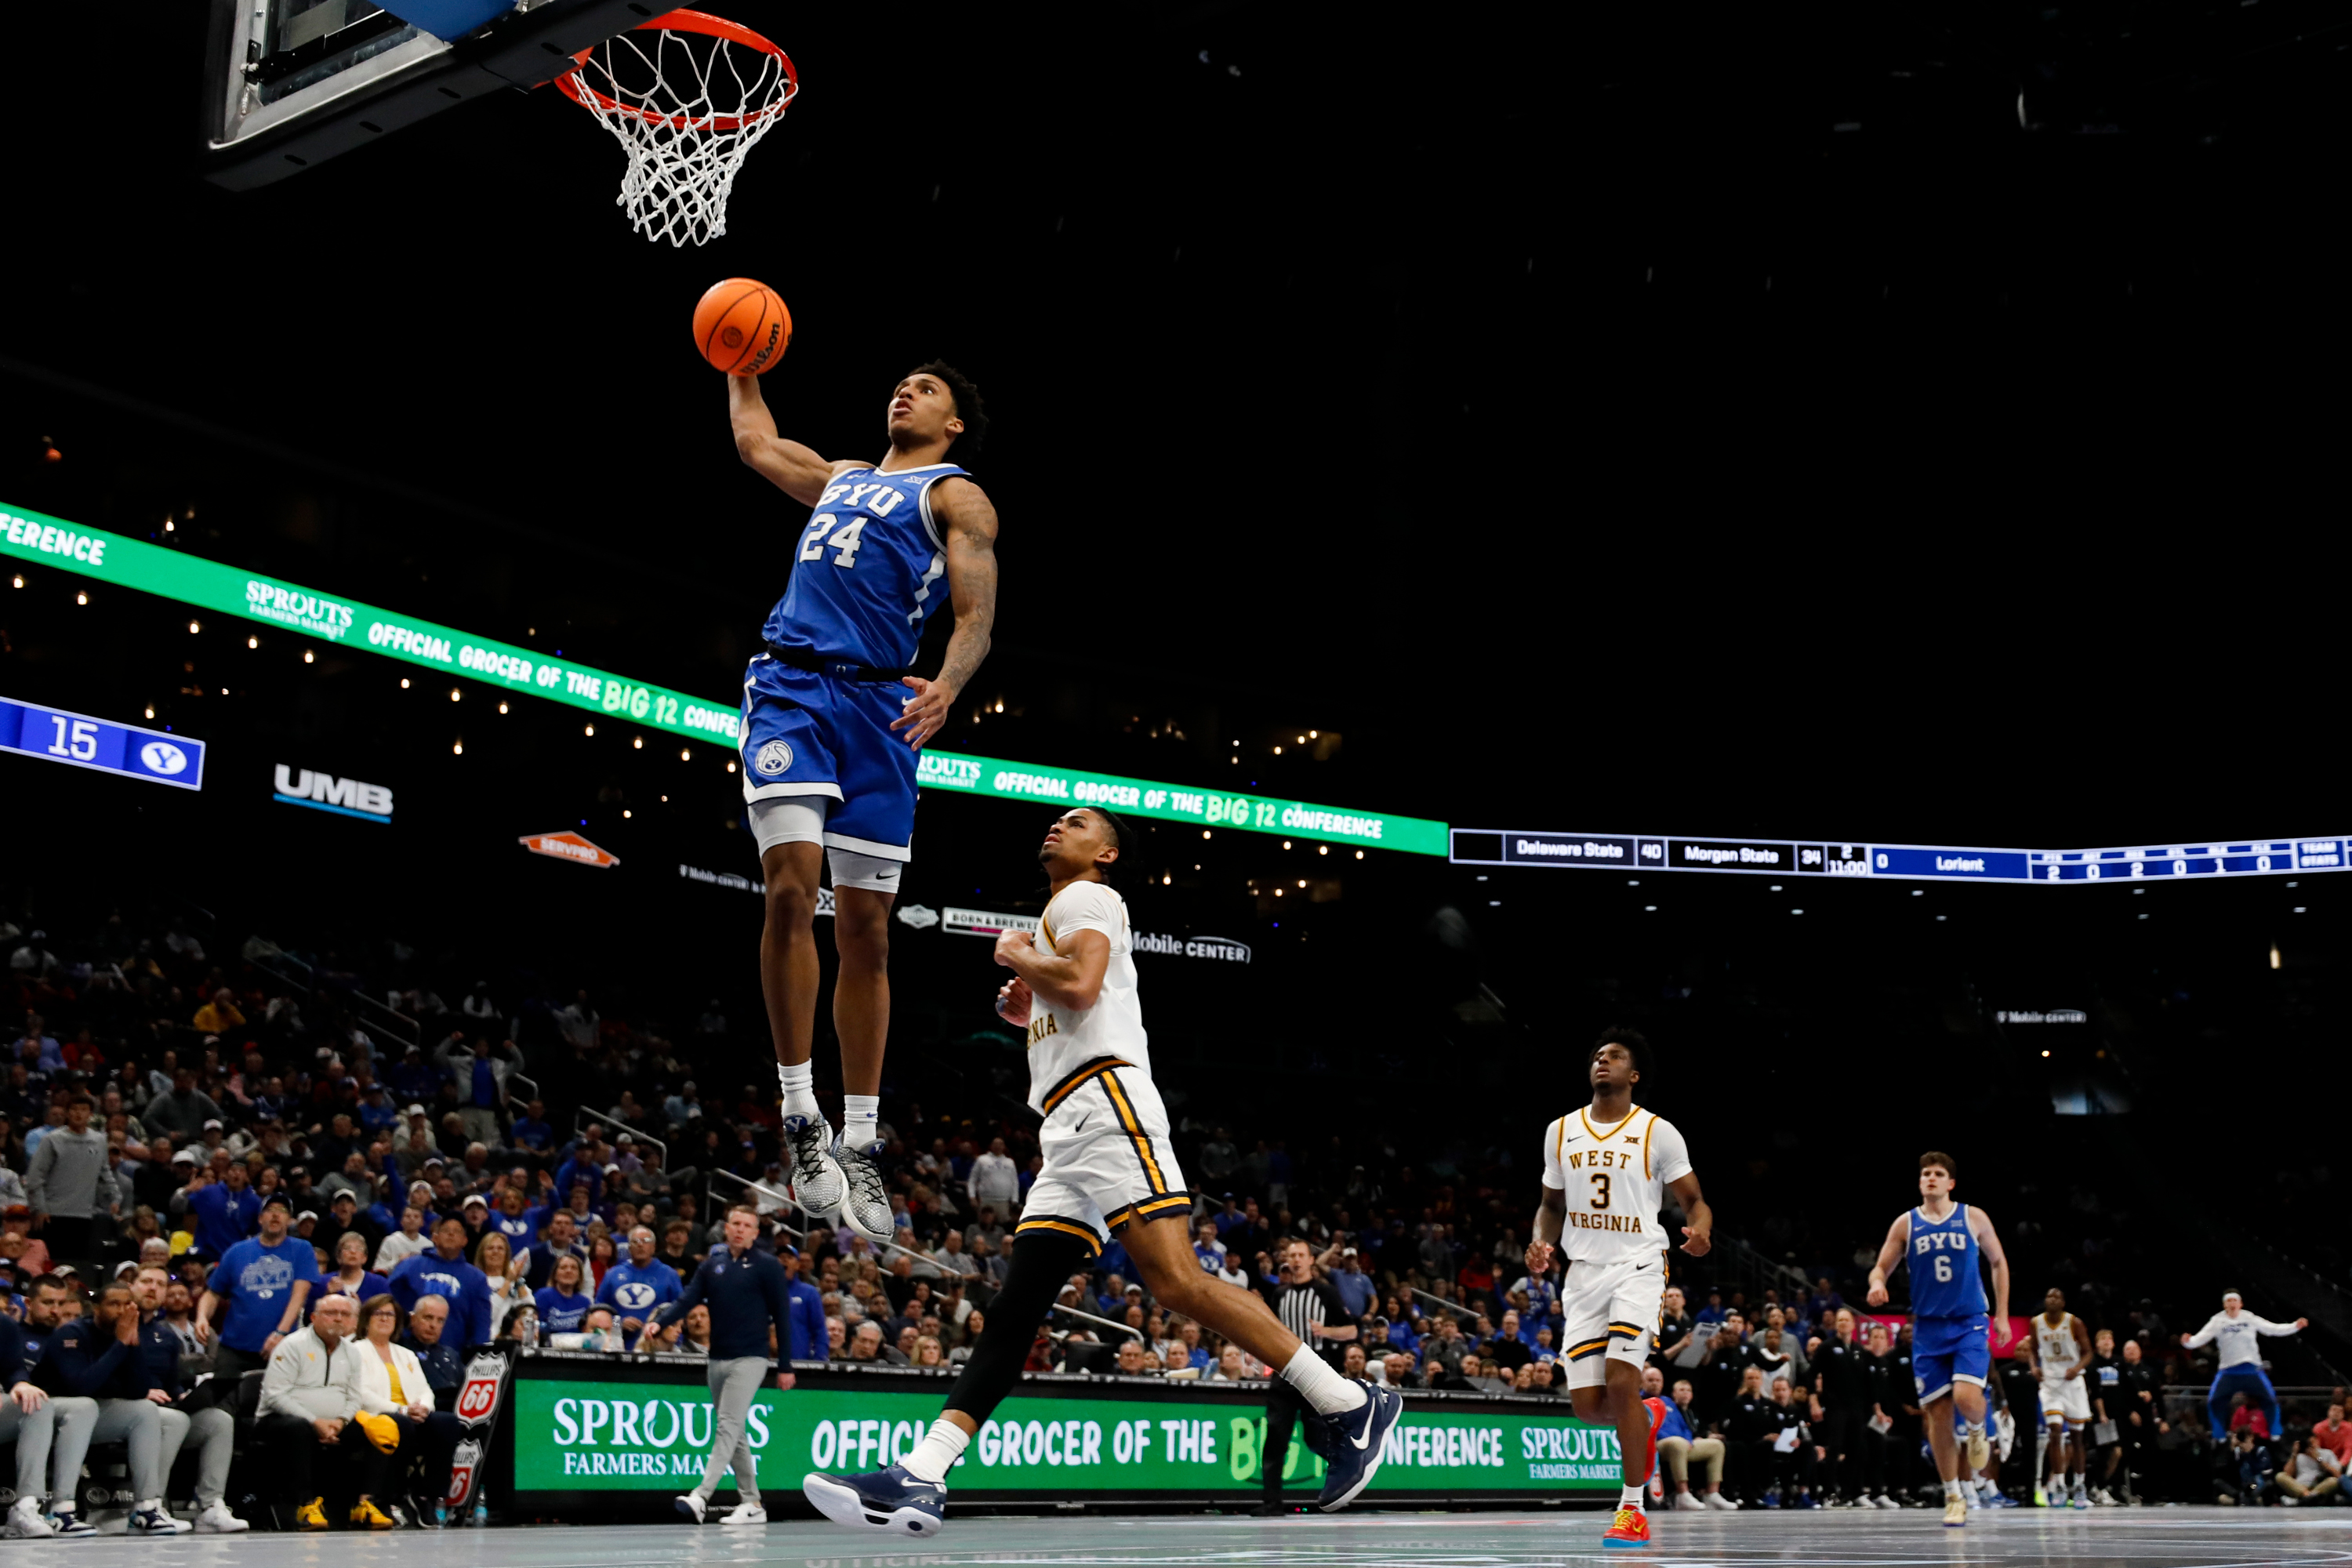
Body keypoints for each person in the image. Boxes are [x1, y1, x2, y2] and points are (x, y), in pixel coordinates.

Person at [801, 808, 1399, 1539]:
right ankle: (923, 1475)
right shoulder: (1063, 914)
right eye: (1054, 821)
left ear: (1106, 852)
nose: (1057, 827)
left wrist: (1019, 955)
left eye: (1076, 823)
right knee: (1017, 1307)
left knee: (1176, 1280)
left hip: (1106, 1103)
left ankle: (1346, 1402)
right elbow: (1074, 995)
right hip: (1067, 1127)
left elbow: (1082, 988)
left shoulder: (1084, 897)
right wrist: (1028, 1004)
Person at [729, 360, 1002, 1248]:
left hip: (883, 707)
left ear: (955, 424)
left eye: (927, 389)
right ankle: (800, 1111)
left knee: (869, 932)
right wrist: (741, 367)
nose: (905, 392)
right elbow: (757, 442)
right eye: (902, 383)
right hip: (792, 687)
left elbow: (973, 616)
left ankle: (858, 1139)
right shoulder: (844, 477)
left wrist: (950, 688)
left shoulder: (957, 497)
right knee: (788, 889)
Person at [1525, 1026, 1713, 1549]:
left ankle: (1632, 1507)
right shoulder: (1560, 1131)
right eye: (1597, 1055)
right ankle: (1647, 1416)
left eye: (1614, 1056)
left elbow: (1695, 1200)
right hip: (1583, 1272)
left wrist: (1701, 1231)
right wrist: (1541, 1242)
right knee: (1589, 1405)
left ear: (1633, 1075)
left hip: (1638, 1264)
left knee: (1622, 1379)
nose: (1602, 1060)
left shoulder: (1658, 1132)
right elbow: (1550, 1206)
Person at [1866, 1151, 2011, 1528]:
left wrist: (2002, 1315)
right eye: (1925, 1173)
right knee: (1939, 1416)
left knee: (1966, 1398)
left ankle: (1979, 1429)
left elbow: (1998, 1262)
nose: (1930, 1178)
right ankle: (1953, 1495)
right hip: (1929, 1328)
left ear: (1951, 1184)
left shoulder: (1972, 1216)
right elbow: (1881, 1266)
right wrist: (1878, 1283)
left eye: (1938, 1174)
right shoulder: (1906, 1223)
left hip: (1968, 1322)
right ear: (1920, 1182)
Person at [644, 1204, 794, 1526]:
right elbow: (688, 1299)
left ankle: (701, 1496)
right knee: (735, 1429)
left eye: (747, 1225)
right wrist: (661, 1322)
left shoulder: (767, 1266)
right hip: (717, 1358)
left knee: (726, 1425)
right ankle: (752, 1503)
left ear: (756, 1232)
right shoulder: (712, 1266)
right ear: (726, 1229)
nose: (740, 1229)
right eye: (735, 1223)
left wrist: (785, 1365)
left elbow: (782, 1316)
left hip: (751, 1357)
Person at [32, 1282, 180, 1534]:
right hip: (48, 1414)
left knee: (144, 1410)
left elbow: (137, 1391)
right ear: (96, 1308)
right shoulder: (71, 1334)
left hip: (90, 1415)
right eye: (114, 1304)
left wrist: (131, 1346)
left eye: (127, 1304)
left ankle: (145, 1507)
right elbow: (81, 1386)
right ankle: (61, 1509)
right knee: (84, 1405)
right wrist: (121, 1345)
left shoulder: (124, 1334)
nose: (122, 1310)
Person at [127, 1265, 246, 1531]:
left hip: (163, 1409)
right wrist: (140, 1392)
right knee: (174, 1420)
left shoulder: (165, 1336)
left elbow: (170, 1382)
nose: (153, 1288)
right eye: (146, 1282)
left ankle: (210, 1505)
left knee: (218, 1420)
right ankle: (149, 1506)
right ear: (131, 1287)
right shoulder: (117, 1325)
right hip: (128, 1409)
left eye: (160, 1285)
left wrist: (185, 1395)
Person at [255, 1292, 365, 1530]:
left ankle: (366, 1503)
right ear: (313, 1317)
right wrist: (315, 1421)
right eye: (331, 1313)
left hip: (334, 1422)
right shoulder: (292, 1345)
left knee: (375, 1430)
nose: (338, 1319)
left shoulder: (353, 1352)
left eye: (345, 1314)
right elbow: (275, 1395)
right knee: (299, 1428)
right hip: (278, 1420)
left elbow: (355, 1397)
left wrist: (340, 1422)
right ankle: (304, 1505)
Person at [348, 1294, 460, 1524]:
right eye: (379, 1313)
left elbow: (425, 1390)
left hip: (409, 1414)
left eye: (390, 1314)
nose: (385, 1319)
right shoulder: (354, 1350)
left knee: (447, 1422)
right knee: (401, 1424)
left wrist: (424, 1409)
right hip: (376, 1417)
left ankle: (427, 1494)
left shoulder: (405, 1354)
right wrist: (401, 1409)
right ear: (366, 1319)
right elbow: (361, 1393)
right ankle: (392, 1495)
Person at [197, 1192, 320, 1381]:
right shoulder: (236, 1251)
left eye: (282, 1211)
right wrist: (202, 1318)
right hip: (234, 1348)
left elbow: (299, 1296)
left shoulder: (302, 1249)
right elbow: (212, 1293)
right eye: (270, 1210)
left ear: (290, 1220)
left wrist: (281, 1332)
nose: (276, 1215)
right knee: (224, 1400)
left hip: (282, 1346)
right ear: (260, 1218)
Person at [1, 1294, 93, 1539]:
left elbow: (13, 1369)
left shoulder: (5, 1325)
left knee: (37, 1402)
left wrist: (21, 1383)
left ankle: (28, 1507)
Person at [2182, 1290, 2306, 1442]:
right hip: (2228, 1371)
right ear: (2224, 1305)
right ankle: (2219, 1435)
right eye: (2229, 1301)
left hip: (2252, 1369)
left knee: (2270, 1400)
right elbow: (2199, 1339)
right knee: (2214, 1401)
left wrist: (2295, 1326)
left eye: (2235, 1301)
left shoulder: (2249, 1318)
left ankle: (2275, 1432)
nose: (2232, 1304)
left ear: (2240, 1304)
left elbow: (2272, 1329)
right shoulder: (2217, 1321)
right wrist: (2188, 1342)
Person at [24, 1091, 119, 1268]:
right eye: (74, 1109)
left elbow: (105, 1173)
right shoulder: (52, 1140)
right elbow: (35, 1178)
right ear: (67, 1113)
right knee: (52, 1265)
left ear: (91, 1115)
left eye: (83, 1110)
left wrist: (115, 1197)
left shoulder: (99, 1140)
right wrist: (40, 1208)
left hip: (83, 1214)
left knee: (76, 1265)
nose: (78, 1114)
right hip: (52, 1215)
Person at [2024, 1287, 2094, 1509]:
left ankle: (2080, 1485)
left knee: (2076, 1437)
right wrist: (2034, 1367)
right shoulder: (2036, 1322)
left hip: (2073, 1383)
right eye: (2048, 1296)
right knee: (2055, 1432)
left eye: (2056, 1296)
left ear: (2063, 1302)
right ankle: (2060, 1485)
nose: (2051, 1299)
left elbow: (2089, 1352)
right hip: (2050, 1383)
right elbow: (2032, 1350)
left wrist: (2077, 1367)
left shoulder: (2074, 1322)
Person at [387, 1214, 493, 1348]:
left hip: (453, 1356)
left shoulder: (477, 1278)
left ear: (465, 1241)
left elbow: (481, 1325)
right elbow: (387, 1303)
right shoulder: (409, 1266)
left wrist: (479, 1354)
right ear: (435, 1238)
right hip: (406, 1350)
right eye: (446, 1230)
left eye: (457, 1231)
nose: (451, 1234)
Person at [1654, 1372, 1733, 1511]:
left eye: (1658, 1380)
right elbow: (1652, 1427)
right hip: (1658, 1444)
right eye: (1650, 1380)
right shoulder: (1640, 1400)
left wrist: (1689, 1440)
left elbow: (1684, 1426)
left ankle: (1712, 1494)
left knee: (1717, 1446)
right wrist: (1676, 1439)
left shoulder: (1668, 1402)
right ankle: (1682, 1495)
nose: (1655, 1383)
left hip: (1682, 1444)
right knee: (1677, 1443)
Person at [597, 1225, 684, 1348]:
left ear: (654, 1247)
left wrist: (677, 1342)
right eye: (635, 1241)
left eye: (646, 1241)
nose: (640, 1245)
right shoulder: (613, 1274)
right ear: (629, 1247)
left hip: (658, 1348)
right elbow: (598, 1311)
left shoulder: (669, 1275)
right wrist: (618, 1323)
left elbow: (680, 1311)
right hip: (618, 1347)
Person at [320, 1229, 391, 1308]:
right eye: (347, 1248)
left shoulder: (380, 1284)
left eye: (359, 1249)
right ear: (339, 1257)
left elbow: (386, 1313)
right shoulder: (322, 1282)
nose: (353, 1252)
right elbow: (309, 1314)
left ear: (365, 1258)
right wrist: (327, 1295)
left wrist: (361, 1309)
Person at [535, 1254, 593, 1339]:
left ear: (579, 1276)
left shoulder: (585, 1302)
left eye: (574, 1268)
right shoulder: (543, 1296)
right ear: (555, 1275)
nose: (569, 1271)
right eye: (563, 1267)